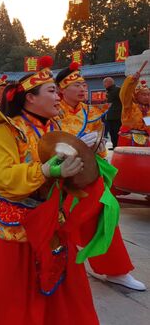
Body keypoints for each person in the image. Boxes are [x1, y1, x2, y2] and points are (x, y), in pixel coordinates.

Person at [0, 56, 100, 324]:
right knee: (9, 302)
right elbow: (2, 179)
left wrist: (86, 158)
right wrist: (44, 171)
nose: (59, 96)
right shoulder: (6, 132)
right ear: (30, 98)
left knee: (65, 300)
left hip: (52, 224)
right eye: (52, 91)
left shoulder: (55, 128)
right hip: (14, 230)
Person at [55, 63, 145, 291]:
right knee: (66, 218)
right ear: (62, 89)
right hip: (58, 174)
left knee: (105, 215)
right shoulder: (54, 112)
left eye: (84, 84)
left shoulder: (91, 113)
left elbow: (100, 148)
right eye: (76, 85)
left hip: (88, 173)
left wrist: (97, 145)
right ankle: (63, 260)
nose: (82, 88)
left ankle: (115, 269)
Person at [118, 70, 149, 146]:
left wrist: (145, 115)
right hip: (129, 138)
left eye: (148, 95)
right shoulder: (129, 106)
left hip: (145, 140)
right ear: (136, 95)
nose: (147, 97)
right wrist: (132, 81)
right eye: (143, 94)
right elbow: (125, 94)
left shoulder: (148, 109)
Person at [104, 77, 122, 149]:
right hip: (110, 115)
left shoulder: (118, 90)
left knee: (116, 132)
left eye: (104, 83)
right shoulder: (108, 91)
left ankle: (118, 146)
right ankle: (114, 145)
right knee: (111, 132)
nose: (104, 85)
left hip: (117, 115)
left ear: (109, 82)